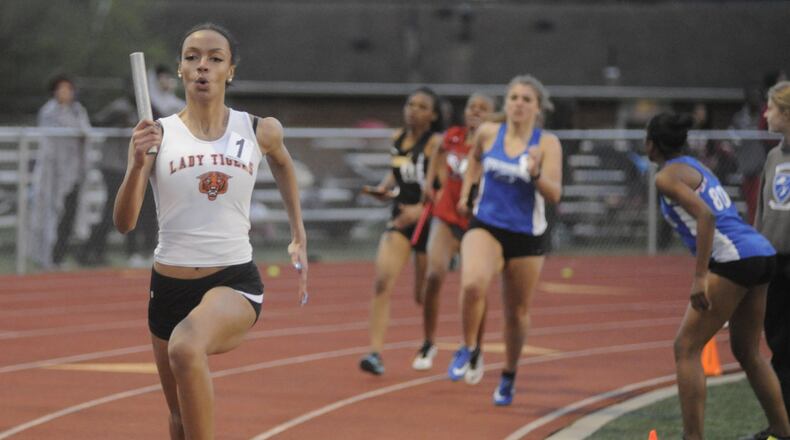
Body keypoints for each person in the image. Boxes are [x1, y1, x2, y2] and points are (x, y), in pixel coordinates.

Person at [113, 23, 308, 439]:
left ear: (230, 71)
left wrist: (298, 233)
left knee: (186, 346)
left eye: (214, 58)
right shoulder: (158, 135)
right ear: (181, 70)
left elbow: (284, 165)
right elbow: (125, 223)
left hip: (232, 282)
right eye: (192, 57)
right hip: (167, 286)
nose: (202, 66)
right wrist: (135, 165)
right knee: (180, 419)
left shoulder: (258, 129)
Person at [645, 112, 790, 440]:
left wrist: (700, 277)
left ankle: (692, 437)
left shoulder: (666, 177)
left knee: (686, 347)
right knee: (748, 351)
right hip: (760, 252)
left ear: (651, 145)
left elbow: (706, 216)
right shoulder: (699, 168)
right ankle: (782, 430)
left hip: (734, 258)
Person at [447, 75, 562, 406]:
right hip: (486, 225)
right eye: (514, 97)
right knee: (472, 284)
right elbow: (474, 163)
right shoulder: (487, 133)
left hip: (526, 236)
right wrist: (468, 192)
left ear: (538, 107)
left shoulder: (547, 144)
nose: (519, 104)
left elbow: (555, 194)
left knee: (516, 312)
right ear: (506, 103)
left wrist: (537, 173)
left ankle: (509, 373)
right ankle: (469, 348)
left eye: (527, 99)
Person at [358, 87, 444, 375]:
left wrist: (420, 211)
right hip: (399, 221)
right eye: (410, 104)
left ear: (432, 116)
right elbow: (397, 172)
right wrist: (385, 189)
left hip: (429, 224)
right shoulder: (397, 138)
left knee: (423, 294)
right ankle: (375, 353)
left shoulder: (435, 145)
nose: (413, 110)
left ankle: (429, 341)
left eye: (421, 106)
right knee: (382, 282)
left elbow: (441, 188)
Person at [412, 92, 494, 381]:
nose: (476, 111)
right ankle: (428, 342)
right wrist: (431, 186)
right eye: (472, 106)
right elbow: (436, 156)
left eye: (483, 108)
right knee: (434, 274)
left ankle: (475, 349)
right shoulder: (453, 137)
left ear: (494, 116)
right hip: (446, 216)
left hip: (479, 222)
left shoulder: (496, 144)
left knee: (475, 288)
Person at [750, 81, 790, 440]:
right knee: (778, 343)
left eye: (771, 108)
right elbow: (763, 213)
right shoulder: (774, 158)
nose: (766, 114)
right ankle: (782, 424)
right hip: (776, 264)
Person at [29, 73, 92, 269]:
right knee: (49, 215)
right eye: (61, 89)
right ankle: (46, 256)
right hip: (52, 173)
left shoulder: (78, 111)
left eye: (68, 89)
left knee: (69, 216)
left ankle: (60, 255)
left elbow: (86, 133)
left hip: (74, 173)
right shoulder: (48, 112)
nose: (65, 93)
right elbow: (50, 142)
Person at [78, 84, 139, 266]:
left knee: (124, 210)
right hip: (113, 166)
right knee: (111, 211)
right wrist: (116, 120)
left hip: (127, 166)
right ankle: (91, 249)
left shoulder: (141, 108)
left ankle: (94, 249)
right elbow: (97, 121)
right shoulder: (119, 107)